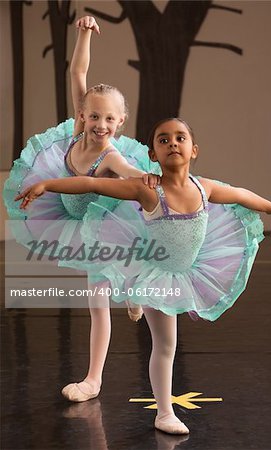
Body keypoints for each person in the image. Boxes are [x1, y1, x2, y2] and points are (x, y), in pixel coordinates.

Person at [16, 117, 271, 434]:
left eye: (180, 137)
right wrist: (47, 184)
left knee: (166, 342)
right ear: (152, 155)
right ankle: (164, 413)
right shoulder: (148, 190)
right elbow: (94, 184)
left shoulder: (206, 188)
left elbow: (241, 194)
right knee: (165, 345)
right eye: (163, 140)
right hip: (157, 274)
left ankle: (134, 294)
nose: (173, 143)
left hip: (186, 267)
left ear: (194, 149)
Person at [4, 16, 161, 405]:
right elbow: (78, 70)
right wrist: (84, 32)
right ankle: (131, 284)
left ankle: (93, 380)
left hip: (105, 223)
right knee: (104, 290)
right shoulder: (77, 131)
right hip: (71, 212)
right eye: (94, 116)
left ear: (120, 122)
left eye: (110, 118)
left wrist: (148, 177)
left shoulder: (110, 152)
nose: (100, 124)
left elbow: (128, 172)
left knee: (97, 305)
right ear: (82, 115)